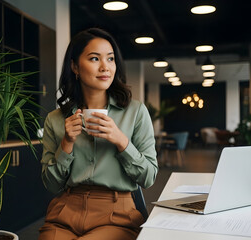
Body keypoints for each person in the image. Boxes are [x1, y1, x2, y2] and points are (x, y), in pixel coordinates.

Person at [38, 28, 158, 240]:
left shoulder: (136, 112)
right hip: (65, 212)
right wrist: (66, 143)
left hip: (116, 214)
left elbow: (148, 177)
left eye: (110, 59)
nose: (105, 67)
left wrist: (121, 141)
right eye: (94, 58)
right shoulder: (55, 119)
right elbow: (50, 184)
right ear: (75, 66)